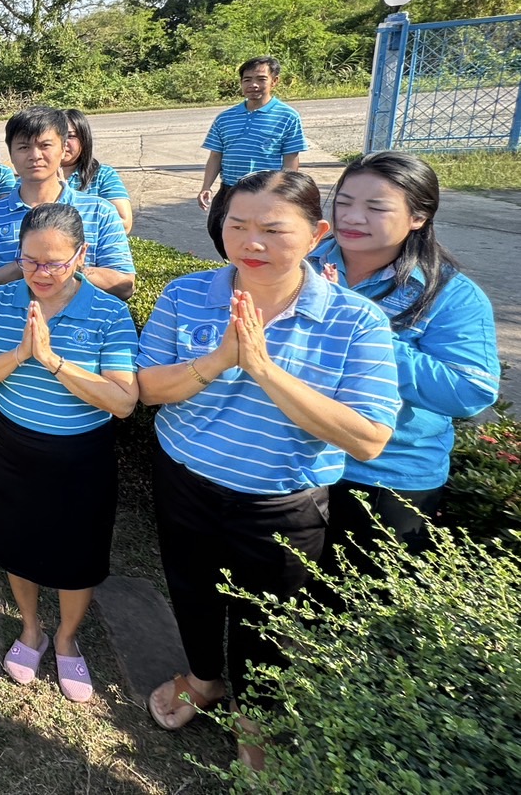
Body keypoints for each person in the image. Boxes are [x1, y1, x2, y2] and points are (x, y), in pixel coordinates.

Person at [137, 169, 400, 768]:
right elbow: (148, 389)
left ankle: (256, 716)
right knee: (192, 591)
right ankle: (204, 680)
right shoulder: (187, 293)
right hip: (187, 479)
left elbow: (367, 438)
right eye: (237, 225)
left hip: (282, 499)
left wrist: (262, 367)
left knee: (269, 618)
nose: (251, 242)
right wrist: (221, 358)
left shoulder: (354, 320)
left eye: (273, 229)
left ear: (317, 235)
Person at [0, 204, 138, 702]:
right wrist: (19, 354)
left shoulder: (109, 313)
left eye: (55, 263)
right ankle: (33, 628)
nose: (40, 273)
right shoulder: (0, 302)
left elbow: (123, 401)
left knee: (76, 553)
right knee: (18, 542)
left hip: (82, 453)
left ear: (81, 256)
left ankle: (66, 637)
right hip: (13, 444)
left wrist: (53, 361)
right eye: (29, 261)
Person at [313, 151, 499, 562]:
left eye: (376, 207)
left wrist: (364, 334)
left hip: (384, 477)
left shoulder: (451, 295)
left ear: (418, 216)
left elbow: (469, 392)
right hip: (298, 459)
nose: (352, 218)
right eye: (343, 202)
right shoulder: (305, 263)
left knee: (357, 609)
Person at [0, 107, 136, 302]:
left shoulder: (100, 212)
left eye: (45, 145)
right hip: (9, 329)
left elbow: (125, 285)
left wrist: (70, 264)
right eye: (23, 147)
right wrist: (23, 266)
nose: (35, 155)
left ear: (63, 147)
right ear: (11, 153)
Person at [198, 56, 308, 255]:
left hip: (265, 190)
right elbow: (216, 155)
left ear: (274, 81)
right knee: (218, 229)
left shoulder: (287, 116)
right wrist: (206, 187)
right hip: (229, 188)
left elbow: (291, 158)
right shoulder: (226, 118)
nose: (253, 85)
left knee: (260, 236)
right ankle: (234, 266)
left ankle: (253, 271)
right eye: (247, 79)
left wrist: (287, 191)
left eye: (261, 79)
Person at [62, 108, 133, 235]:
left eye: (71, 136)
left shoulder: (103, 175)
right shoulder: (34, 177)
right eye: (57, 136)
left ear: (84, 139)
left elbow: (124, 223)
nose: (63, 143)